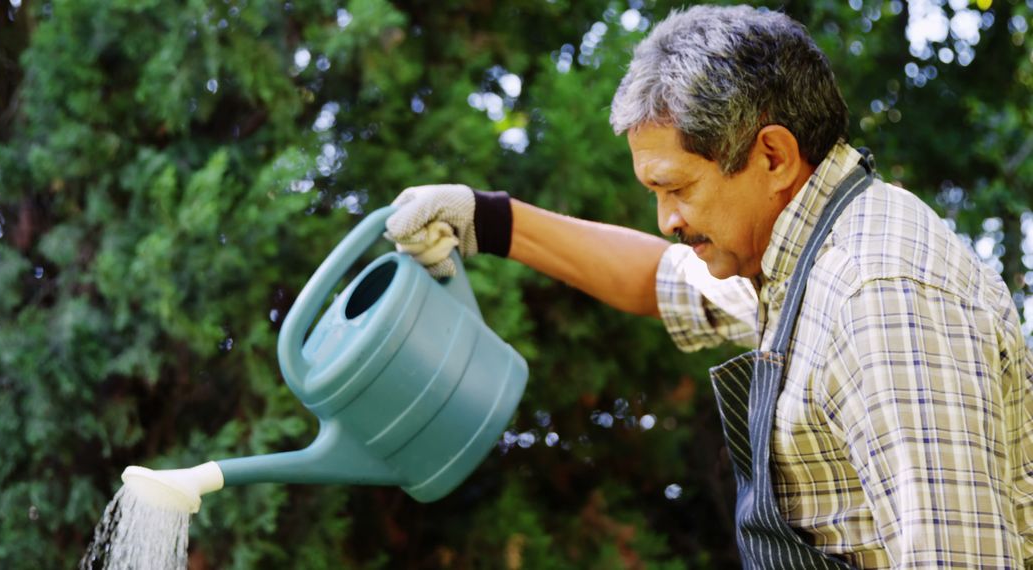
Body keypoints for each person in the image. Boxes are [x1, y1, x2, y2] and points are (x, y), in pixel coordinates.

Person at [384, 5, 1033, 569]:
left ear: (772, 157)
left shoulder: (879, 293)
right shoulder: (800, 254)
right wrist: (487, 219)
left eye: (677, 189)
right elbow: (663, 281)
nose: (666, 220)